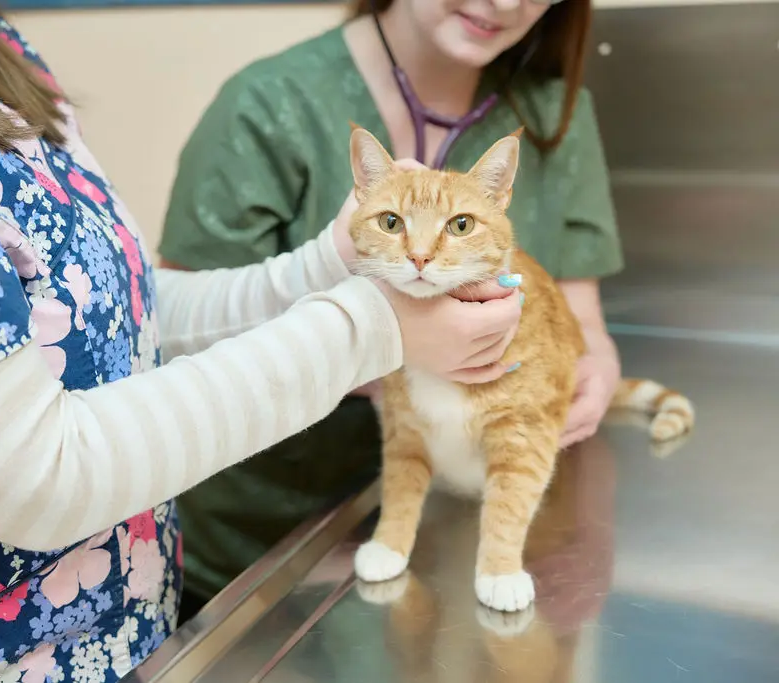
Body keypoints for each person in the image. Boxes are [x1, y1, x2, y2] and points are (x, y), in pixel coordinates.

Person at [0, 1, 523, 680]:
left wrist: (327, 266)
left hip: (139, 638)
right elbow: (36, 478)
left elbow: (117, 314)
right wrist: (374, 327)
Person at [159, 0, 624, 619]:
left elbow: (582, 320)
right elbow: (176, 334)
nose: (507, 3)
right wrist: (381, 345)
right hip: (263, 549)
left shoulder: (555, 110)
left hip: (455, 541)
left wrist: (588, 373)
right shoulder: (268, 104)